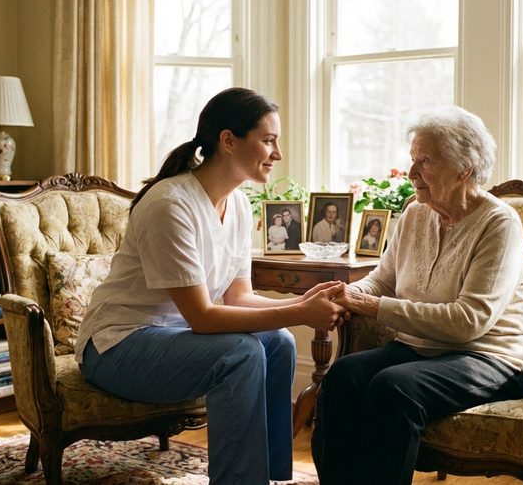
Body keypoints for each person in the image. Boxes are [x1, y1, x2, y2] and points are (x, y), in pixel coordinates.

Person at [74, 87, 348, 485]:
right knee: (241, 352)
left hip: (173, 338)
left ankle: (269, 476)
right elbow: (202, 317)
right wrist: (302, 313)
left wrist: (301, 304)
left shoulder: (237, 204)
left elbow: (238, 297)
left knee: (279, 341)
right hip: (116, 345)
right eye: (269, 140)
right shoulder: (171, 204)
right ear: (228, 141)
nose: (278, 154)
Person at [317, 106, 523, 485]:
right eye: (412, 160)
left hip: (492, 357)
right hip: (421, 349)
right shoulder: (415, 213)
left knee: (394, 387)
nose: (412, 173)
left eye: (425, 161)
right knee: (343, 375)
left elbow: (469, 322)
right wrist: (348, 293)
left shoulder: (499, 224)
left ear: (464, 168)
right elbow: (383, 280)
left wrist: (370, 305)